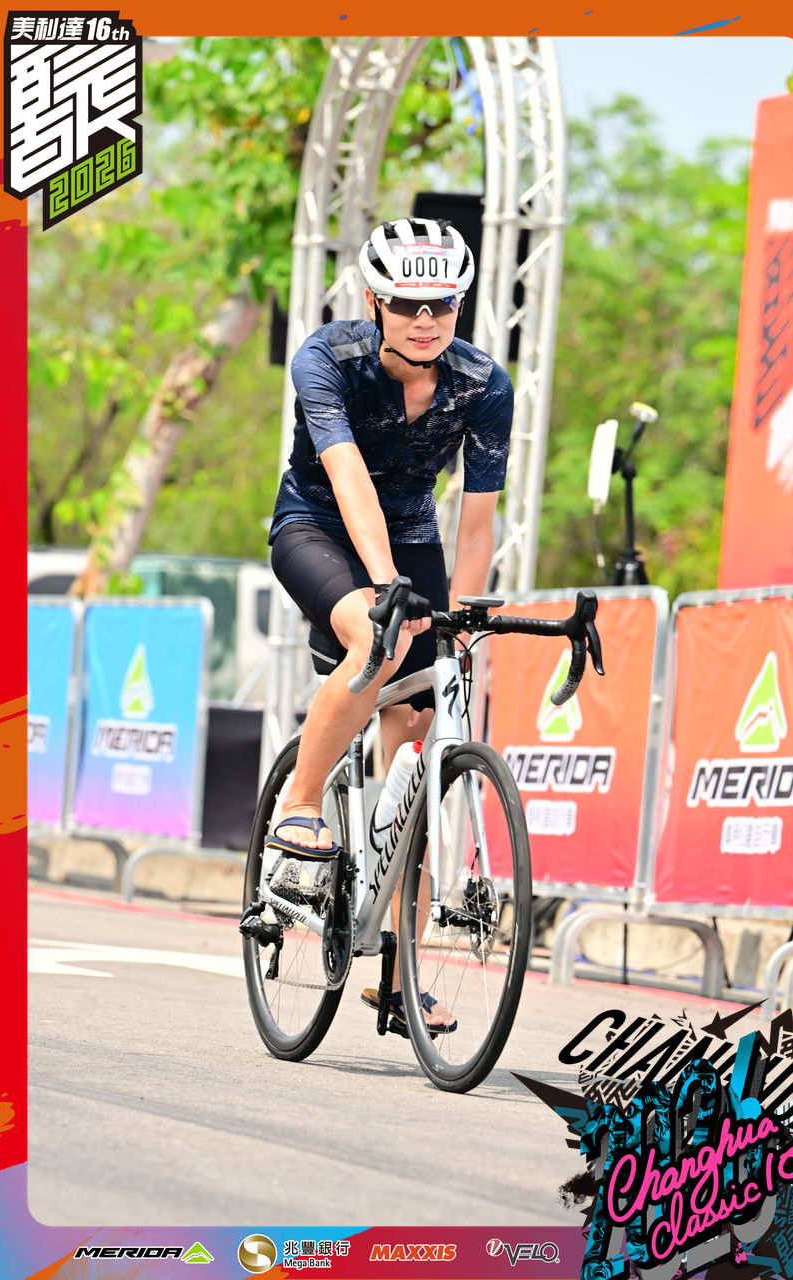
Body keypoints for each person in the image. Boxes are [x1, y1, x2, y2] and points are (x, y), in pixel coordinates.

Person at [266, 216, 513, 1033]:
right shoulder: (327, 359)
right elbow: (346, 479)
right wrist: (384, 588)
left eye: (443, 304)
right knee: (378, 639)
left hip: (411, 537)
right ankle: (302, 804)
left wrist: (464, 622)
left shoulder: (483, 384)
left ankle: (400, 976)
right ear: (375, 301)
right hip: (317, 527)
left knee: (426, 733)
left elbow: (476, 523)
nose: (426, 319)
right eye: (407, 303)